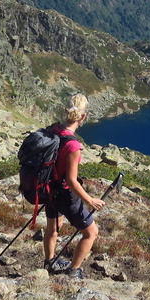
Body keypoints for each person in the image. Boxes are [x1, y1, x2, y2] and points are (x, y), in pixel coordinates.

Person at [43, 94, 105, 280]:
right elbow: (71, 180)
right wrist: (90, 200)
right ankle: (73, 271)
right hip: (65, 195)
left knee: (53, 227)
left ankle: (50, 262)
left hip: (48, 189)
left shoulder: (53, 130)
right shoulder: (73, 144)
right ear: (84, 117)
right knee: (91, 233)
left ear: (65, 111)